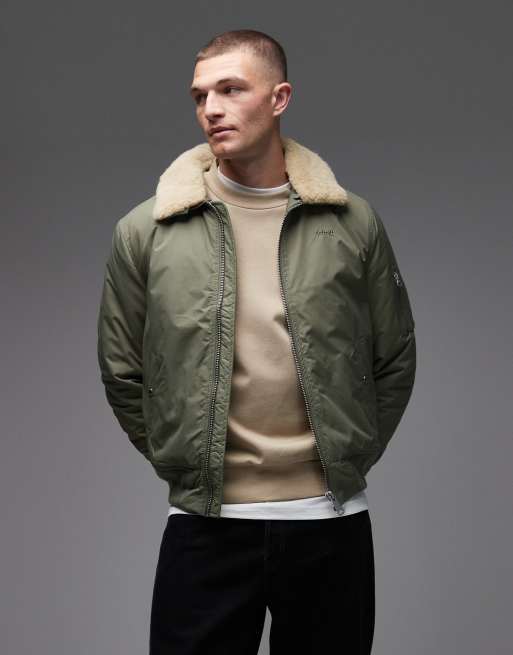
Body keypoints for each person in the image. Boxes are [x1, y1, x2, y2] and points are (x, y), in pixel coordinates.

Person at [96, 28, 416, 655]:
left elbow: (394, 356)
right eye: (200, 96)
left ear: (279, 98)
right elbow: (122, 369)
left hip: (331, 523)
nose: (210, 108)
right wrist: (181, 460)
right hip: (206, 525)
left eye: (231, 89)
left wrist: (351, 455)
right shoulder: (146, 230)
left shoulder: (352, 222)